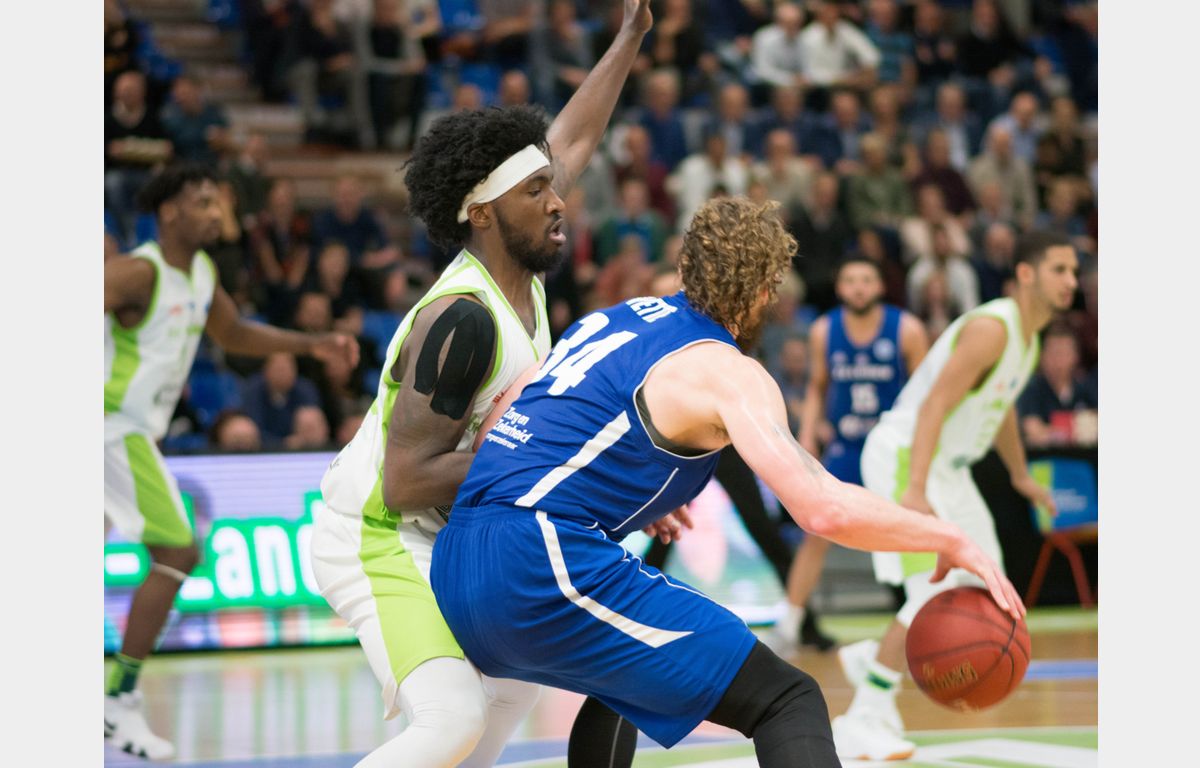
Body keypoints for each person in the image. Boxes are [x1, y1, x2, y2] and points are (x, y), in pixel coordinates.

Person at [430, 197, 1024, 768]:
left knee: (627, 682)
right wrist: (946, 536)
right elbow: (821, 510)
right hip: (536, 564)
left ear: (686, 266)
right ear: (767, 290)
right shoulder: (728, 371)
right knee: (786, 698)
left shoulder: (613, 319)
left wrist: (622, 489)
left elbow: (503, 426)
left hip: (458, 564)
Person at [309, 2, 656, 766]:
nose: (558, 200)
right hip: (379, 534)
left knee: (513, 681)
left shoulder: (523, 272)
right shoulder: (463, 319)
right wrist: (561, 461)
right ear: (483, 212)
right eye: (537, 192)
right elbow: (405, 481)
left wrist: (629, 36)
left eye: (552, 186)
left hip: (452, 534)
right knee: (450, 721)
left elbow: (574, 138)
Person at [103, 164, 359, 759]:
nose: (216, 213)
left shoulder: (199, 273)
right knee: (179, 550)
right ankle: (119, 699)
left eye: (216, 203)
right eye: (201, 202)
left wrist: (312, 344)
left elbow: (236, 333)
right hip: (111, 426)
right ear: (169, 212)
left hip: (132, 432)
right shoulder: (139, 271)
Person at [831, 230, 1077, 761]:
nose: (1071, 281)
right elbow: (935, 404)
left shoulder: (1028, 340)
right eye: (1059, 269)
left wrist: (1019, 475)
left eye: (1075, 271)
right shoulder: (992, 328)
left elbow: (999, 405)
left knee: (989, 584)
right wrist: (916, 488)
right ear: (1026, 274)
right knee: (932, 591)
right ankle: (863, 717)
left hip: (950, 469)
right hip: (908, 457)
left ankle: (874, 659)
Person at [775, 256, 928, 653]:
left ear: (880, 286)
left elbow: (926, 395)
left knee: (911, 533)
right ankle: (790, 623)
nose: (859, 287)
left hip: (891, 450)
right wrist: (807, 434)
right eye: (850, 280)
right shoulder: (824, 330)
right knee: (816, 531)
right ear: (840, 287)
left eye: (866, 279)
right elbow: (817, 386)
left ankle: (925, 615)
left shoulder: (907, 329)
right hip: (846, 447)